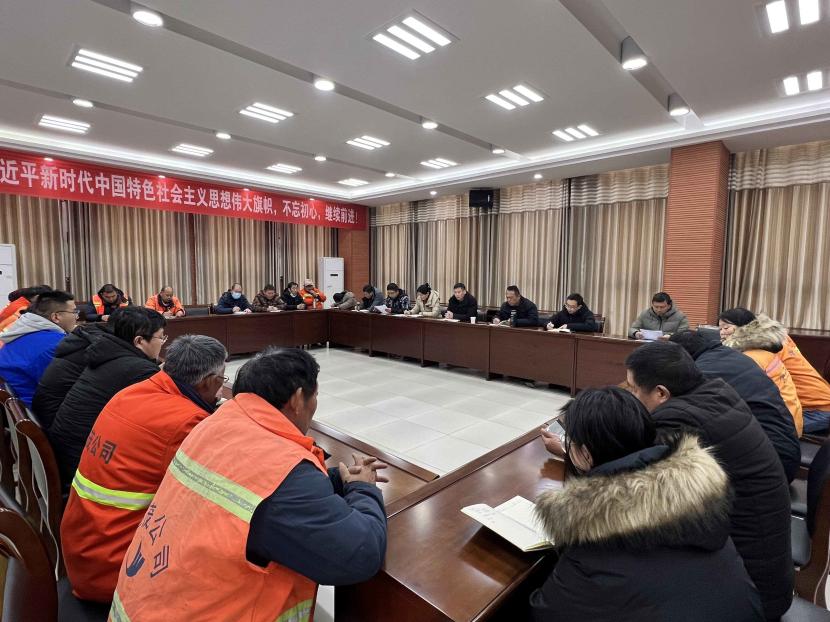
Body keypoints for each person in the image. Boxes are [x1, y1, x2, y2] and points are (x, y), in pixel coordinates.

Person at [110, 348, 388, 621]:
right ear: (297, 399)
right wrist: (363, 488)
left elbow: (254, 488)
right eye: (315, 395)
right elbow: (359, 554)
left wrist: (335, 479)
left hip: (141, 604)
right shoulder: (281, 469)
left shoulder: (211, 425)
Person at [530, 388, 763, 622]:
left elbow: (546, 612)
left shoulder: (594, 535)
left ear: (587, 454)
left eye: (570, 443)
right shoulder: (694, 498)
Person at [624, 342, 793, 621]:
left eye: (633, 389)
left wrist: (580, 457)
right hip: (766, 571)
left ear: (661, 393)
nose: (630, 396)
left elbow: (641, 496)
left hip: (749, 592)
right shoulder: (716, 393)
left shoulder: (679, 422)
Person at [61, 335, 227, 602]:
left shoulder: (130, 393)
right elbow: (215, 492)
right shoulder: (186, 422)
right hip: (119, 568)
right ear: (208, 381)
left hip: (83, 550)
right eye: (221, 380)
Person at [48, 308, 166, 492]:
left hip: (67, 451)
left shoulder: (108, 353)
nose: (163, 343)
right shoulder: (138, 369)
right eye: (161, 337)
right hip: (84, 465)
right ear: (139, 341)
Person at [670, 331, 800, 482]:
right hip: (786, 452)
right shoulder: (733, 356)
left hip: (768, 468)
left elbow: (674, 410)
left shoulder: (703, 370)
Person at [721, 307, 830, 435]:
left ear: (744, 328)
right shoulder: (778, 339)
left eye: (726, 328)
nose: (721, 333)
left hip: (816, 410)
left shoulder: (763, 347)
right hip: (819, 401)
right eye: (720, 329)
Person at [0, 291, 77, 407]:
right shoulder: (56, 344)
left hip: (15, 405)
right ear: (56, 317)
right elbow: (66, 388)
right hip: (33, 408)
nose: (77, 316)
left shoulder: (20, 331)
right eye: (74, 312)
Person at [32, 323, 108, 431]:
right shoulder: (55, 342)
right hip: (51, 424)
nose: (76, 317)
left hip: (40, 416)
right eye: (74, 314)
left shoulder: (69, 342)